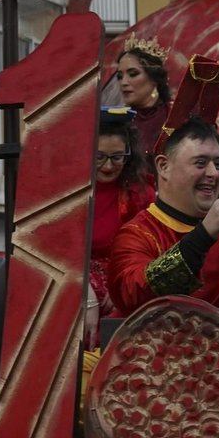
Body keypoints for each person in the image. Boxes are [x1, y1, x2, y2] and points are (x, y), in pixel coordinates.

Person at [108, 119, 219, 314]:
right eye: (200, 163)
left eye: (218, 164)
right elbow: (132, 297)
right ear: (163, 166)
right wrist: (203, 236)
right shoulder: (138, 234)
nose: (214, 173)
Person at [90, 108, 155, 318]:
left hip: (126, 277)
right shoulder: (68, 193)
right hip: (74, 280)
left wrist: (119, 284)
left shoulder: (141, 194)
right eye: (99, 157)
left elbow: (153, 248)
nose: (108, 166)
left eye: (117, 157)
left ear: (128, 154)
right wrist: (81, 287)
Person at [111, 39, 173, 155]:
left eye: (133, 74)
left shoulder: (175, 117)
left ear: (154, 78)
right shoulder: (116, 122)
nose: (123, 82)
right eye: (119, 77)